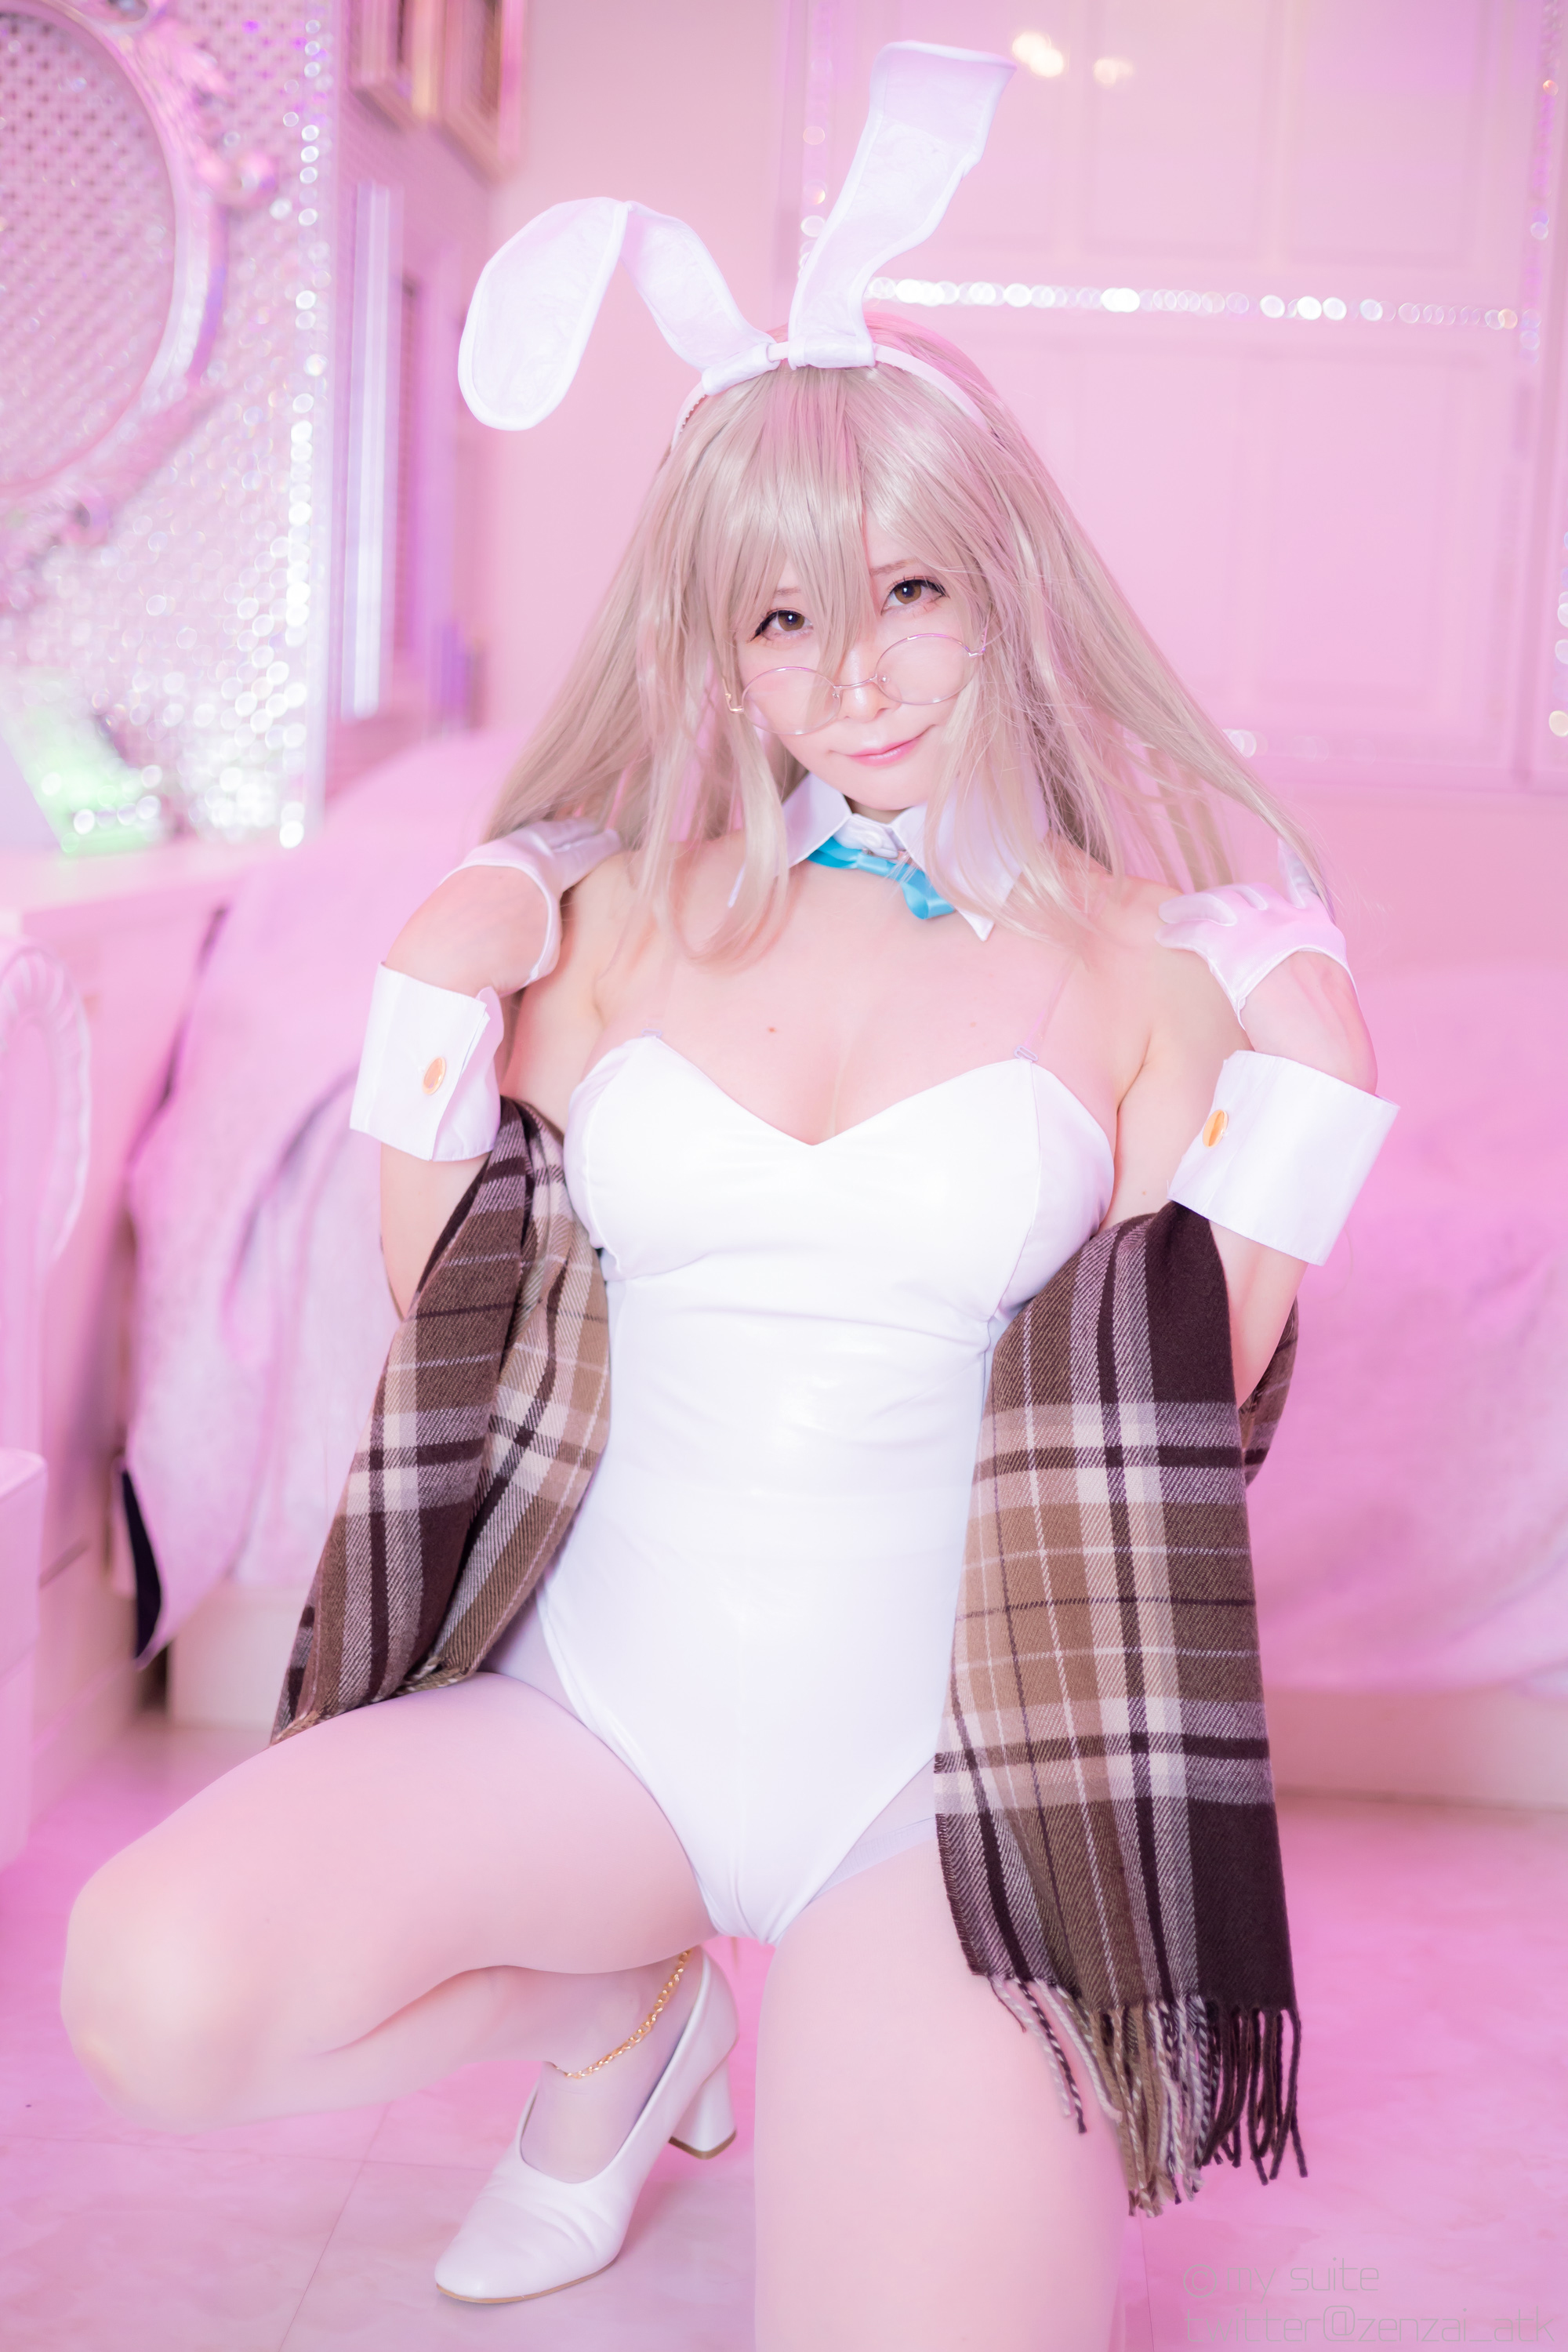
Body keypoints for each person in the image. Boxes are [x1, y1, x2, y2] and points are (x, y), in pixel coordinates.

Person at [60, 45, 1392, 2351]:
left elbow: (1197, 1414)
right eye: (782, 622)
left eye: (907, 591)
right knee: (153, 1989)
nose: (851, 676)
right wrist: (427, 991)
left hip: (935, 1796)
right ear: (718, 643)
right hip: (599, 1734)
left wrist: (1320, 1082)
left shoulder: (1139, 965)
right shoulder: (617, 917)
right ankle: (627, 2001)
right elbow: (452, 1319)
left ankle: (744, 2019)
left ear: (1006, 581)